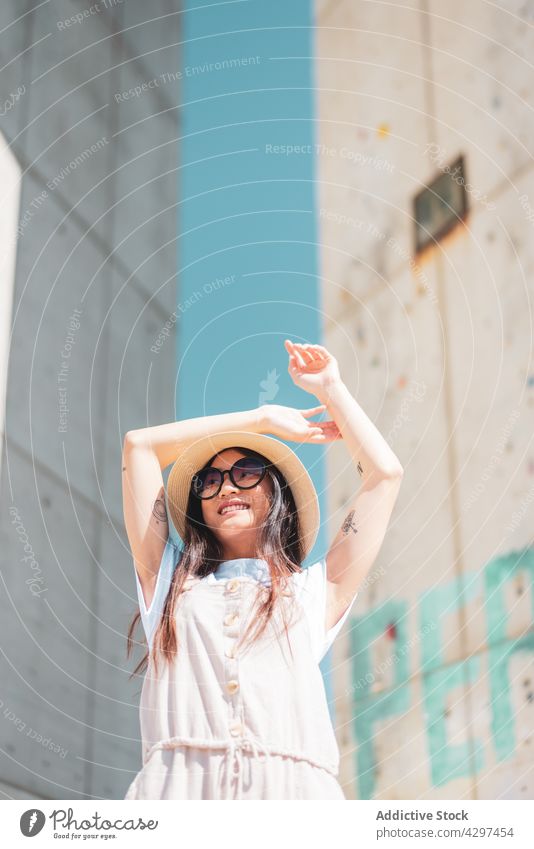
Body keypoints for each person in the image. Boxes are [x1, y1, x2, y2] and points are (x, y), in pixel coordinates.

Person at [121, 340, 403, 800]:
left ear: (277, 496)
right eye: (209, 481)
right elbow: (140, 446)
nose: (226, 487)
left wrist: (331, 389)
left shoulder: (313, 593)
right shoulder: (168, 583)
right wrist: (258, 422)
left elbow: (385, 476)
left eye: (247, 470)